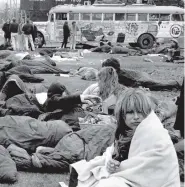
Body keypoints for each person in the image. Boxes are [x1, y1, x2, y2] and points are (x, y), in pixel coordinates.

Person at [67, 88, 180, 187]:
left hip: (151, 181)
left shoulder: (155, 133)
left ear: (147, 113)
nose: (136, 117)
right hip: (129, 176)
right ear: (123, 115)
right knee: (82, 169)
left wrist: (120, 168)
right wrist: (111, 163)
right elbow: (115, 154)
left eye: (140, 112)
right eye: (130, 112)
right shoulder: (124, 131)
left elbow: (152, 167)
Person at [102, 57, 180, 91]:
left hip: (141, 79)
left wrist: (138, 87)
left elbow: (132, 83)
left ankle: (175, 83)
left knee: (158, 85)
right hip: (139, 75)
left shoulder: (120, 75)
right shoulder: (117, 72)